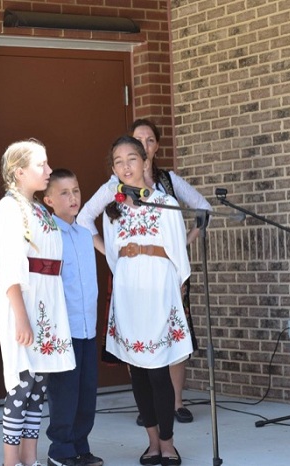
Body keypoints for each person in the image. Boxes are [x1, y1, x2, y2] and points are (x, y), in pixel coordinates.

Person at [76, 119, 211, 425]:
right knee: (137, 349)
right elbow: (85, 219)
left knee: (166, 348)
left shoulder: (166, 189)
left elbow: (200, 214)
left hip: (162, 278)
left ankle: (173, 410)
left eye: (147, 143)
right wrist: (113, 254)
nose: (127, 165)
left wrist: (181, 246)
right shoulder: (113, 193)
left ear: (149, 154)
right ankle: (148, 415)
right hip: (130, 279)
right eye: (119, 161)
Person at [102, 135, 192, 466]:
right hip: (128, 293)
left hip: (159, 291)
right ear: (113, 169)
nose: (126, 166)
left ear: (144, 162)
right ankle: (152, 443)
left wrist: (177, 292)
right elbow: (113, 257)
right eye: (118, 161)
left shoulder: (165, 203)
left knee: (158, 371)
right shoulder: (112, 210)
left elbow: (179, 255)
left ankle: (168, 443)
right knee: (137, 371)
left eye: (132, 159)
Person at [0, 139, 76, 466]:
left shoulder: (39, 208)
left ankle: (30, 460)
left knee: (39, 386)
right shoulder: (9, 208)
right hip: (25, 303)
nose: (48, 170)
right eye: (41, 164)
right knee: (22, 385)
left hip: (46, 302)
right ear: (19, 171)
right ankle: (10, 462)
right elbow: (9, 266)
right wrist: (21, 317)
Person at [42, 169, 103, 466]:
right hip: (63, 329)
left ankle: (81, 445)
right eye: (64, 193)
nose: (73, 197)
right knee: (64, 391)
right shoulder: (48, 236)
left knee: (86, 391)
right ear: (49, 200)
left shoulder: (84, 235)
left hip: (87, 327)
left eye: (76, 190)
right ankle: (61, 450)